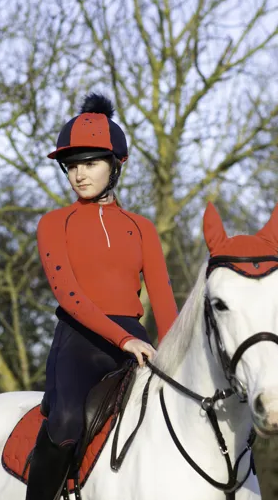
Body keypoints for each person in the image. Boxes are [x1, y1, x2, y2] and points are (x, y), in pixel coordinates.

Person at [26, 93, 179, 500]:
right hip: (79, 340)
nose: (79, 174)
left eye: (90, 163)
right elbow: (68, 295)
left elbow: (162, 294)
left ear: (116, 165)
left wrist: (177, 349)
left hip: (136, 340)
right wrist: (124, 339)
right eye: (72, 166)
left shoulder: (141, 227)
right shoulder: (54, 223)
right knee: (66, 422)